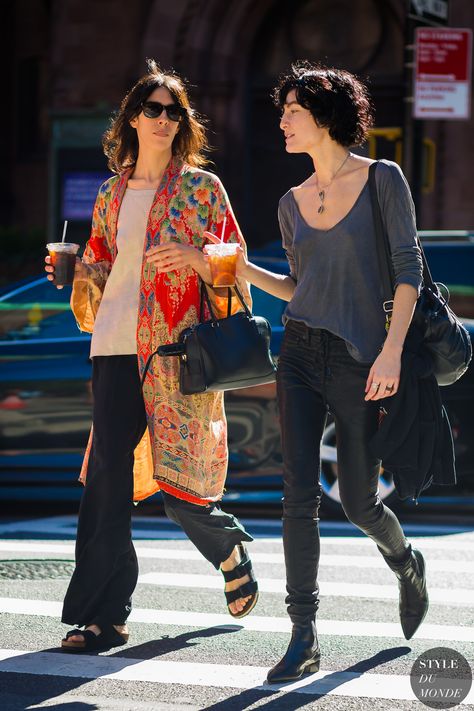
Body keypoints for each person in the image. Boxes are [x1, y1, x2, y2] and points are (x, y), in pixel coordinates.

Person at [45, 60, 258, 653]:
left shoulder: (202, 189)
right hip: (115, 345)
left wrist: (195, 255)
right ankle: (102, 616)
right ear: (133, 118)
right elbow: (101, 263)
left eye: (175, 112)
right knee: (107, 483)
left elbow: (230, 262)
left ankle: (228, 548)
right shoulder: (112, 192)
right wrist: (78, 271)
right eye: (154, 109)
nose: (165, 120)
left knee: (180, 481)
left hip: (176, 351)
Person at [235, 62, 429, 683]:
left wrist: (392, 351)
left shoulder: (381, 180)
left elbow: (408, 270)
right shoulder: (290, 203)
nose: (284, 121)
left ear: (326, 115)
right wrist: (241, 269)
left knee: (358, 501)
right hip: (298, 353)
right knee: (296, 497)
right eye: (283, 110)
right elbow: (299, 289)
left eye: (294, 109)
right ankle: (303, 635)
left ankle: (405, 562)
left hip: (360, 357)